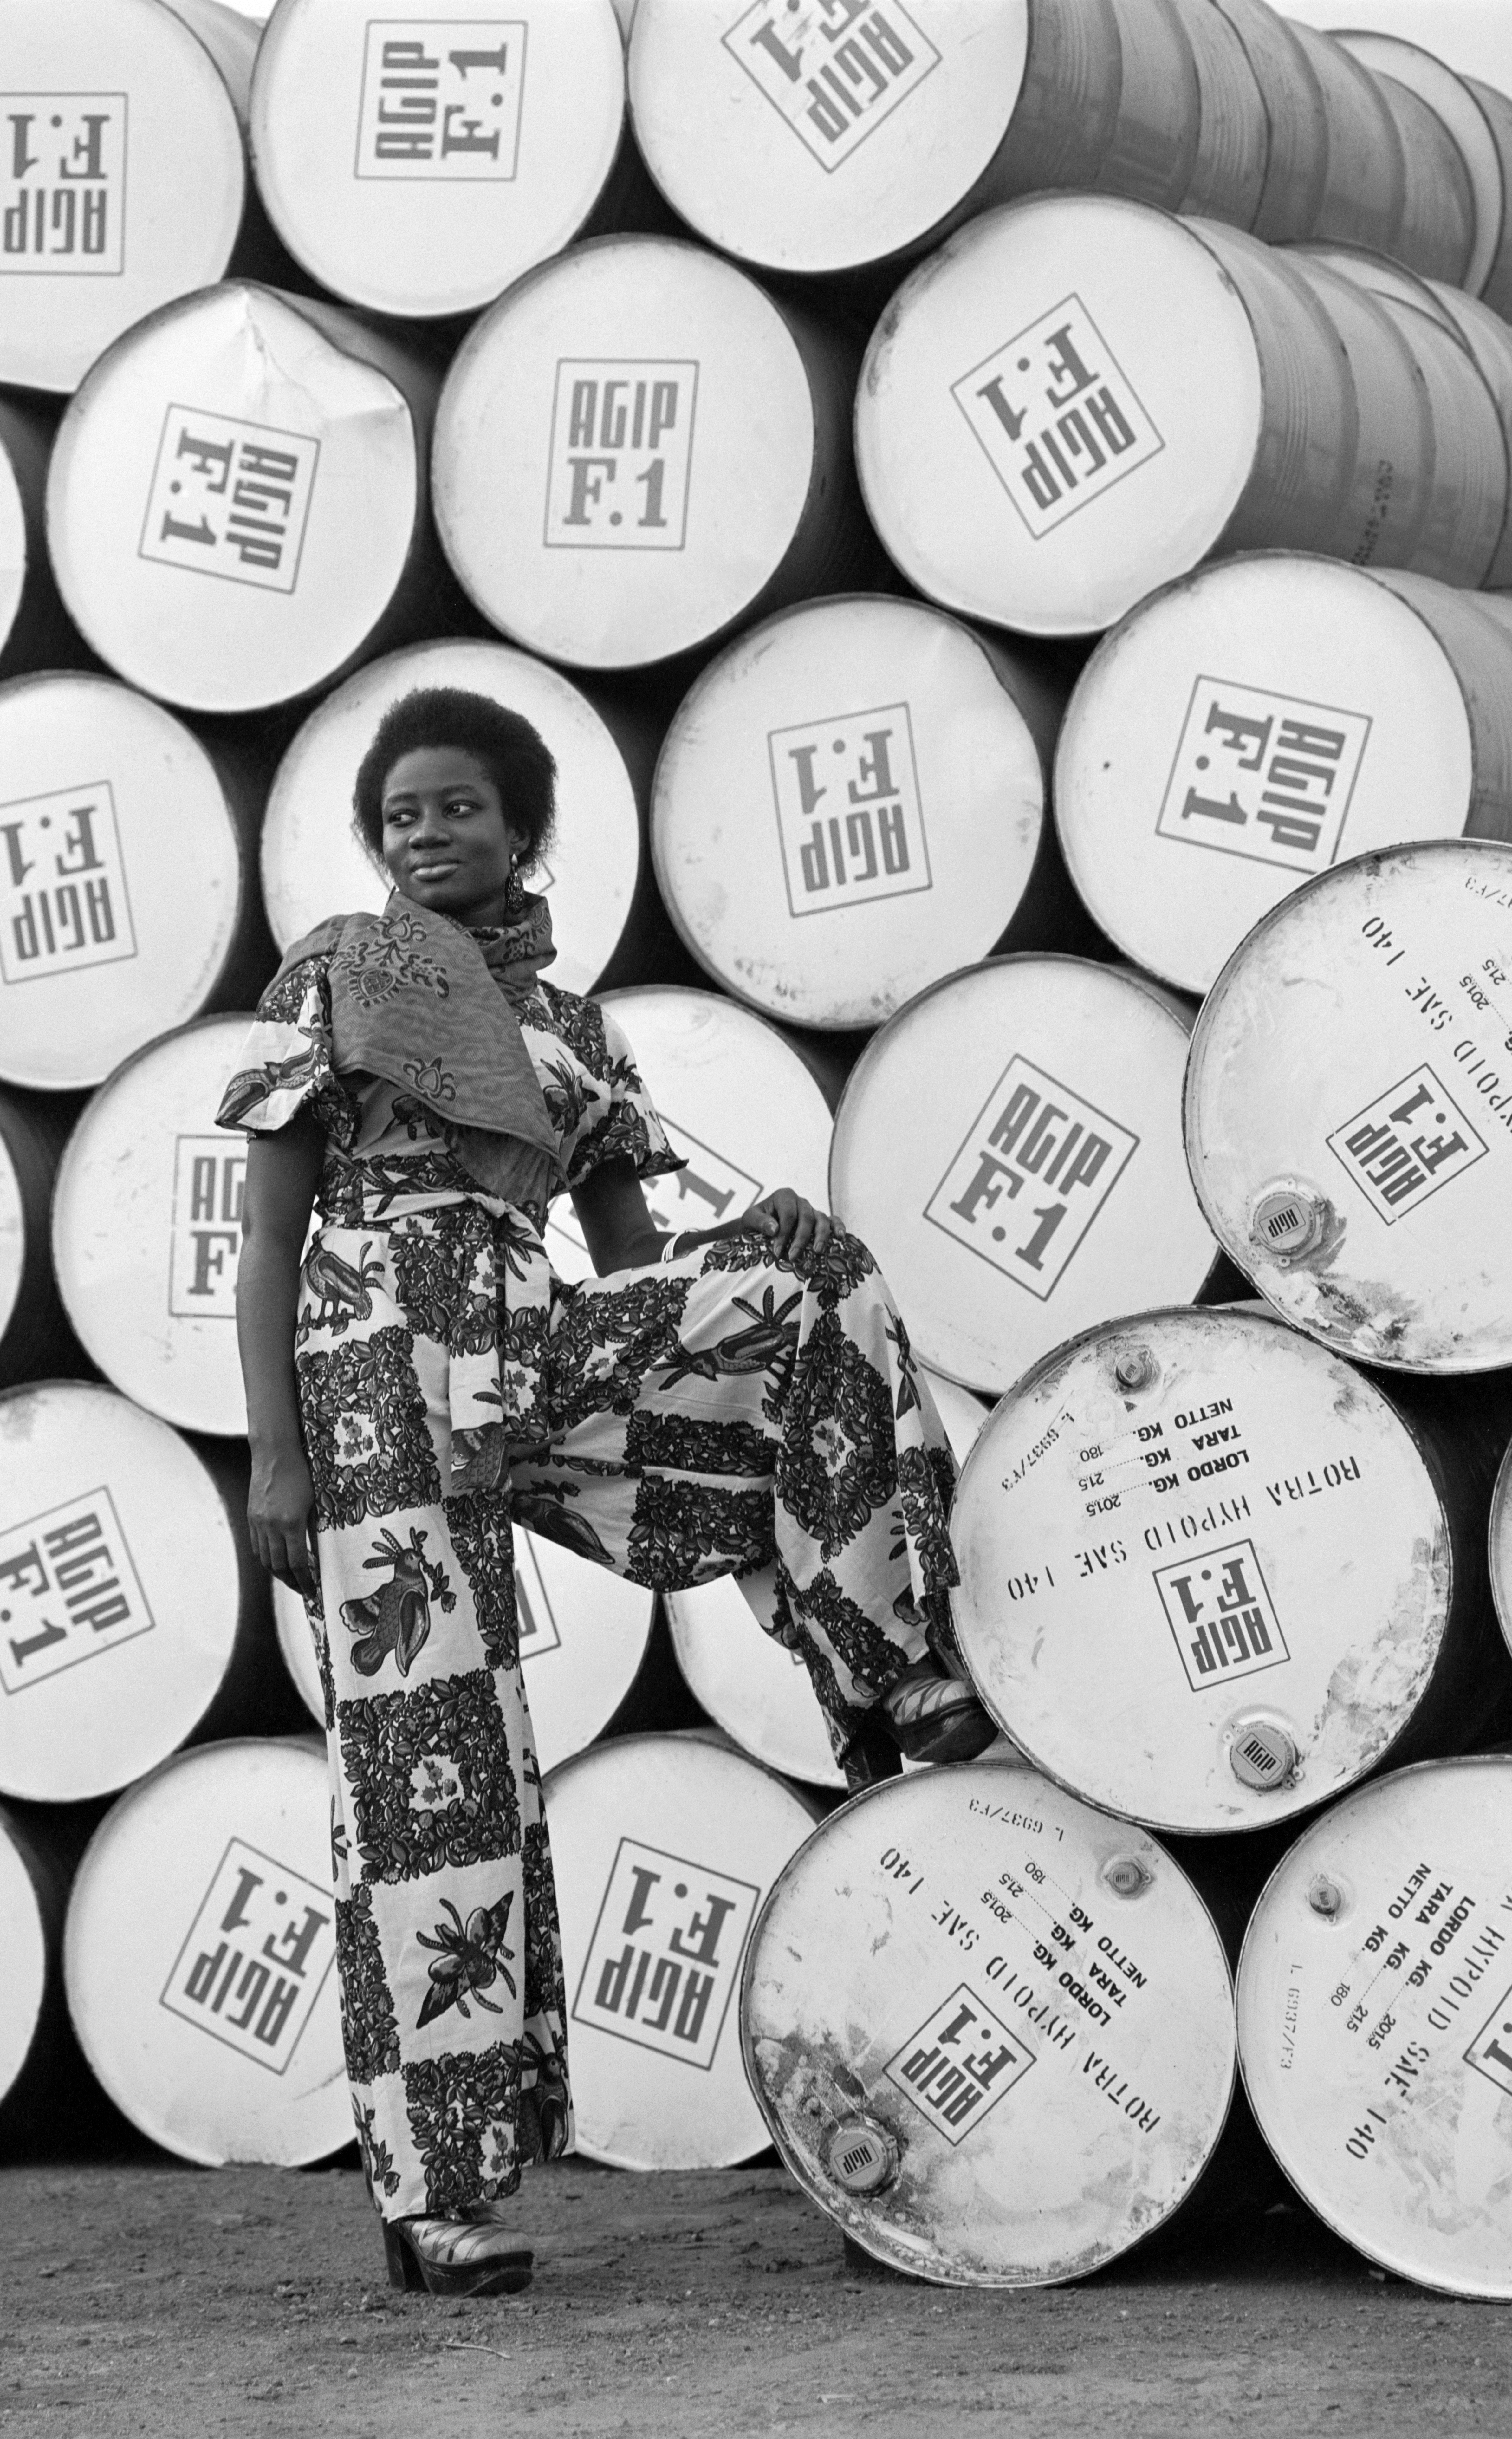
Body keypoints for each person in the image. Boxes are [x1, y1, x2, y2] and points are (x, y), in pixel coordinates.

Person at [220, 688, 990, 2300]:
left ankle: (888, 1662)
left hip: (527, 1348)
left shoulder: (577, 1033)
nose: (429, 837)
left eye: (461, 811)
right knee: (435, 1777)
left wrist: (694, 1369)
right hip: (369, 1376)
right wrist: (275, 1455)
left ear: (524, 832)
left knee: (803, 1275)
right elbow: (269, 1232)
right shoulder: (334, 983)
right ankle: (441, 2200)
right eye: (405, 815)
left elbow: (638, 1264)